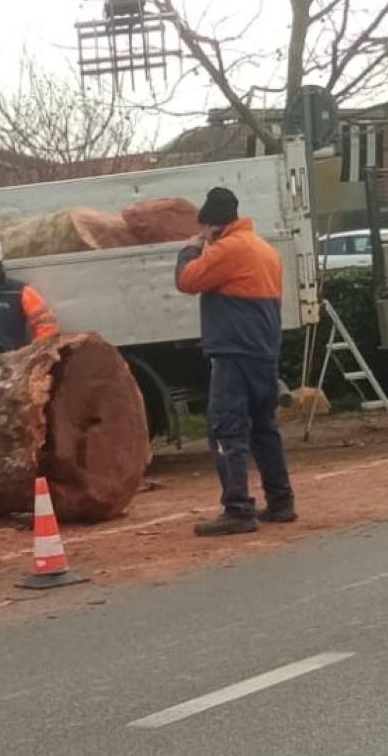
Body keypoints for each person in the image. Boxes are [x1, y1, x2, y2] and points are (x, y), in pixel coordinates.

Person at [174, 187, 296, 536]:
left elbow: (187, 280)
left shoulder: (229, 249)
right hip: (263, 350)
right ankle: (281, 501)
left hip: (233, 351)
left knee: (227, 428)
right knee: (263, 427)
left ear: (213, 225)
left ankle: (238, 508)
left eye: (205, 230)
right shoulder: (263, 248)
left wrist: (190, 249)